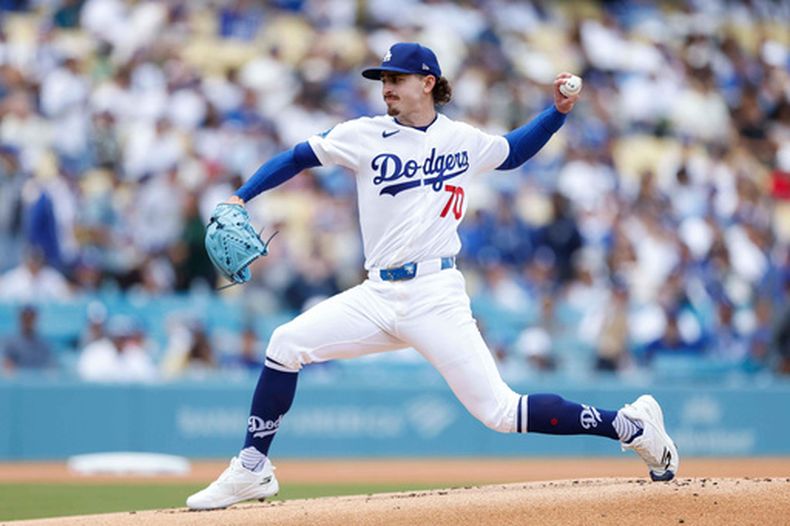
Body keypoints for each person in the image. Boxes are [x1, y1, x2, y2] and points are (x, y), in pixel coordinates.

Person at [187, 43, 679, 510]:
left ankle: (630, 426)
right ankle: (253, 466)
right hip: (377, 293)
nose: (386, 87)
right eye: (382, 79)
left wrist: (557, 114)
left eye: (396, 78)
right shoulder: (362, 134)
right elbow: (297, 156)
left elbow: (513, 151)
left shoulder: (461, 139)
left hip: (435, 296)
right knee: (285, 344)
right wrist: (240, 196)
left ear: (428, 82)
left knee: (501, 413)